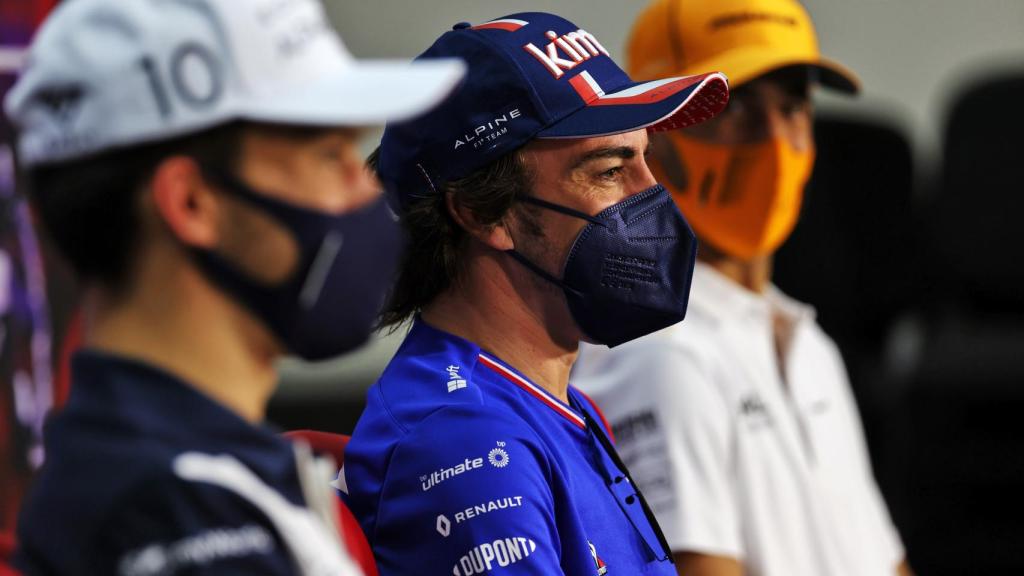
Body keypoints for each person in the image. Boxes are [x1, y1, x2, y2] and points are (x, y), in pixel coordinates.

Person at [3, 0, 463, 574]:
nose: (364, 189)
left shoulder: (193, 476)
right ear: (192, 203)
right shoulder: (176, 515)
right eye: (328, 155)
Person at [340, 11, 729, 576]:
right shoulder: (465, 440)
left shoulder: (550, 402)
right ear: (481, 211)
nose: (653, 195)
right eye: (609, 170)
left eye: (647, 159)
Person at [570, 1, 912, 575]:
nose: (776, 141)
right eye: (737, 108)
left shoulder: (808, 343)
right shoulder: (656, 350)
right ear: (656, 130)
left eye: (793, 108)